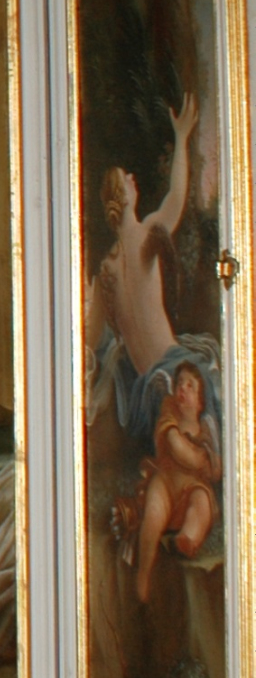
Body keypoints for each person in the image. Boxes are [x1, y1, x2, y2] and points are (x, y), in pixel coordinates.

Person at [86, 95, 205, 449]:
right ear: (123, 197)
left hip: (144, 394)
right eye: (126, 178)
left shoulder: (105, 270)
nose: (132, 177)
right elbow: (177, 196)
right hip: (173, 372)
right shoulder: (146, 235)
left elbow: (88, 341)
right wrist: (181, 138)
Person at [131, 362, 220, 603]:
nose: (182, 388)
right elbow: (179, 450)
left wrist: (209, 463)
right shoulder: (169, 415)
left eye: (190, 386)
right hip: (166, 483)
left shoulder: (206, 430)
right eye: (179, 383)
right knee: (153, 515)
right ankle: (144, 573)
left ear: (200, 402)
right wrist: (198, 459)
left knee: (202, 502)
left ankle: (187, 538)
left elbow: (215, 470)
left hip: (193, 489)